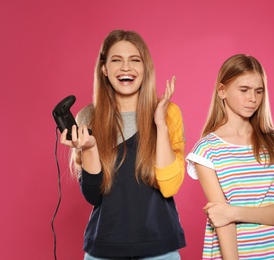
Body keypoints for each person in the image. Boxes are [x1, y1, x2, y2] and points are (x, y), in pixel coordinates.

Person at [60, 30, 186, 260]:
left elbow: (169, 187)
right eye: (116, 60)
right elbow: (93, 196)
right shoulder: (88, 118)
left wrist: (161, 124)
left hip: (160, 249)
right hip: (104, 249)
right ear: (104, 69)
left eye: (135, 60)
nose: (126, 68)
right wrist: (89, 148)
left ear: (145, 68)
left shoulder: (168, 114)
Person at [186, 54, 274, 259]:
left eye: (258, 91)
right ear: (222, 91)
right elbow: (222, 221)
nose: (252, 98)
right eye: (244, 90)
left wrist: (233, 211)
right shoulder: (207, 150)